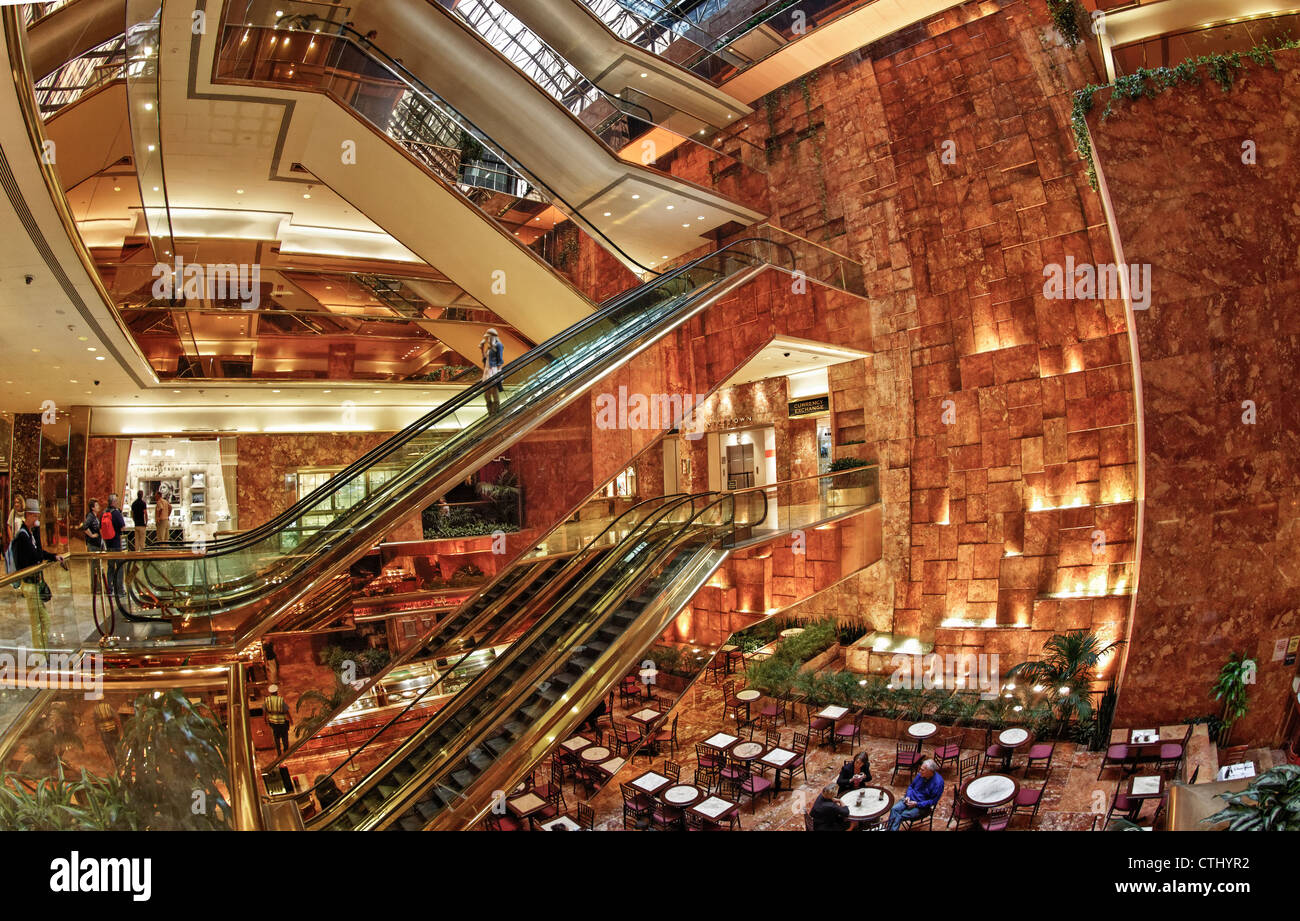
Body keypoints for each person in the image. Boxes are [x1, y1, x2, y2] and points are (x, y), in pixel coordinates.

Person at [11, 498, 66, 651]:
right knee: (37, 623)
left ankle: (43, 651)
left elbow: (39, 552)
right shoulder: (22, 536)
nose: (36, 519)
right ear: (28, 515)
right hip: (29, 584)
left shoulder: (31, 533)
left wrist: (53, 556)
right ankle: (40, 656)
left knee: (45, 620)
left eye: (37, 516)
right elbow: (34, 556)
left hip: (35, 582)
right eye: (34, 516)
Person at [887, 758, 944, 830]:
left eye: (922, 770)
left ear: (930, 771)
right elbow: (911, 786)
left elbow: (933, 801)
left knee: (899, 815)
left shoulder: (938, 783)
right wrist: (908, 796)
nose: (920, 771)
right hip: (909, 799)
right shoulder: (921, 774)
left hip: (921, 807)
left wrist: (917, 804)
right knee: (894, 809)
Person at [102, 494, 127, 600]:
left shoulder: (104, 512)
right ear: (114, 502)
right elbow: (123, 527)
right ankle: (120, 590)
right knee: (120, 567)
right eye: (116, 501)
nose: (117, 503)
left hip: (108, 543)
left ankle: (109, 589)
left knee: (110, 567)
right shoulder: (116, 513)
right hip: (116, 543)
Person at [480, 327, 505, 414]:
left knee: (494, 392)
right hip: (487, 371)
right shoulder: (490, 347)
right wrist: (482, 349)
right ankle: (490, 411)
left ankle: (495, 412)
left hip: (493, 371)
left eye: (488, 337)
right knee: (486, 394)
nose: (487, 339)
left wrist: (498, 372)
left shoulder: (499, 345)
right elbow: (485, 360)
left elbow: (500, 360)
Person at [264, 684, 291, 755]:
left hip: (273, 723)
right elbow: (286, 710)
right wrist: (290, 719)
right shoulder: (280, 700)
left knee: (276, 737)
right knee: (284, 736)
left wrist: (265, 720)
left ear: (270, 692)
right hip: (282, 722)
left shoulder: (267, 700)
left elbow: (264, 711)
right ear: (276, 692)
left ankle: (279, 752)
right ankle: (286, 751)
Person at [93, 700, 121, 767]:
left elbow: (95, 720)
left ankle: (113, 760)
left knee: (109, 746)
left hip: (103, 730)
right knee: (117, 744)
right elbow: (115, 716)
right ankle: (119, 759)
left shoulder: (96, 708)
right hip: (113, 728)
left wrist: (97, 730)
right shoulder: (107, 706)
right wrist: (119, 725)